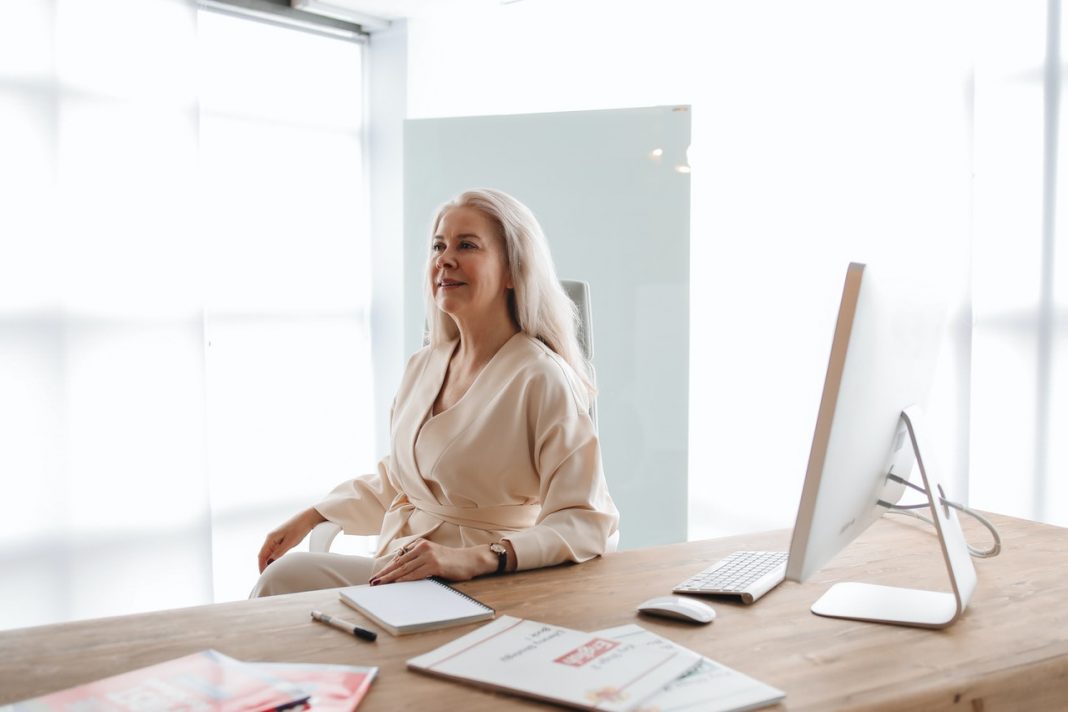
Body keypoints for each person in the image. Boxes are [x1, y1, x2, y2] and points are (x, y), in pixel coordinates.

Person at [249, 188, 619, 597]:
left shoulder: (541, 377)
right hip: (402, 567)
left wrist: (477, 558)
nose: (444, 259)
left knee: (285, 582)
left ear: (513, 272)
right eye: (438, 246)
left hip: (485, 582)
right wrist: (312, 515)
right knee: (284, 581)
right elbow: (402, 480)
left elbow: (587, 522)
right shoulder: (423, 365)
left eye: (467, 245)